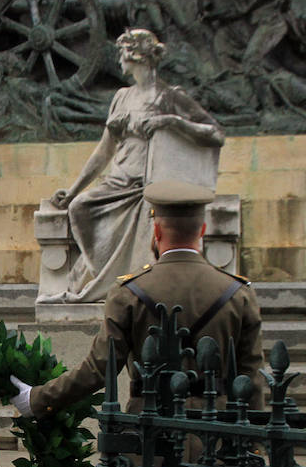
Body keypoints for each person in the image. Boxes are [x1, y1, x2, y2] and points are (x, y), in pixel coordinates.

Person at [14, 179, 264, 467]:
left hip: (150, 435)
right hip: (217, 438)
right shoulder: (238, 293)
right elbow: (251, 377)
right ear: (202, 231)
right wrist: (254, 448)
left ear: (156, 233)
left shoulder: (129, 291)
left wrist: (39, 398)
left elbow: (98, 367)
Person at [42, 29, 225, 303]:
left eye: (122, 52)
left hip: (148, 184)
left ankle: (125, 288)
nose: (119, 59)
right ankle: (105, 280)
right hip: (118, 180)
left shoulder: (169, 96)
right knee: (79, 208)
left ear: (135, 54)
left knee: (149, 224)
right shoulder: (122, 97)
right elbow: (104, 151)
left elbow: (215, 133)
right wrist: (73, 190)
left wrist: (172, 122)